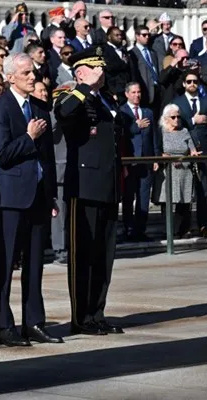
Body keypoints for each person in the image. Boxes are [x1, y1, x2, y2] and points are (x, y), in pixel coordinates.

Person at [0, 53, 61, 347]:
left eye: (34, 72)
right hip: (12, 196)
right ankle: (4, 325)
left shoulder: (39, 108)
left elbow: (48, 157)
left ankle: (33, 321)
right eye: (27, 73)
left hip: (38, 195)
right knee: (6, 263)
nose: (33, 77)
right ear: (10, 77)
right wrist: (28, 137)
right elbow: (3, 154)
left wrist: (51, 194)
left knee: (35, 263)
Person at [54, 46, 126, 336]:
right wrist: (83, 86)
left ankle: (97, 312)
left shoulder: (106, 100)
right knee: (83, 256)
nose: (102, 73)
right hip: (83, 186)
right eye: (95, 68)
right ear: (81, 72)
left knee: (103, 256)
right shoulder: (73, 96)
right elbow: (63, 111)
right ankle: (80, 317)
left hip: (107, 186)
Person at [173, 71, 207, 238]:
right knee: (185, 190)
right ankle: (183, 227)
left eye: (195, 81)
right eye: (189, 81)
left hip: (205, 150)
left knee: (204, 191)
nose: (192, 84)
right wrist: (194, 120)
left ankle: (203, 226)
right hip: (185, 150)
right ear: (184, 84)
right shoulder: (177, 102)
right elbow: (174, 124)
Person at [118, 83, 158, 242]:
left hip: (145, 161)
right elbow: (121, 133)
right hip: (130, 160)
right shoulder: (122, 112)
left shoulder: (148, 112)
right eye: (133, 92)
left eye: (139, 92)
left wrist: (155, 157)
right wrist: (136, 126)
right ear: (127, 94)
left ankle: (140, 229)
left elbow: (153, 136)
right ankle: (128, 229)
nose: (137, 95)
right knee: (128, 198)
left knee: (143, 197)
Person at [158, 104, 201, 238]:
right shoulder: (161, 132)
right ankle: (169, 230)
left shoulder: (184, 131)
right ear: (166, 118)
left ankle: (182, 230)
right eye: (173, 117)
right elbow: (158, 150)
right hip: (169, 171)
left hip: (185, 170)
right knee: (169, 201)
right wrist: (167, 157)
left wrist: (193, 153)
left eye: (178, 116)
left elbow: (192, 149)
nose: (177, 119)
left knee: (184, 201)